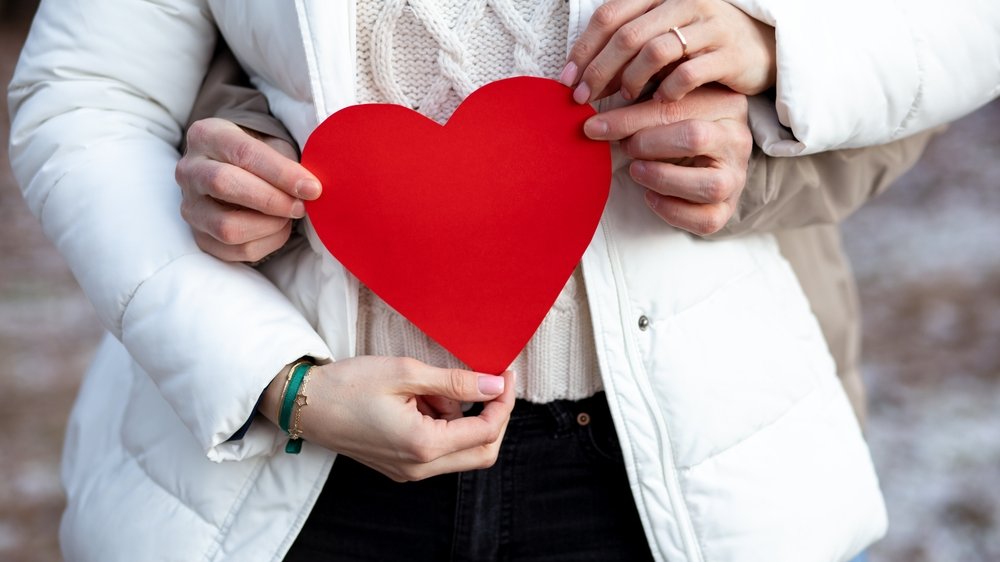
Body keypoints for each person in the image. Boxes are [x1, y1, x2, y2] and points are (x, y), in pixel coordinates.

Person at [8, 1, 998, 561]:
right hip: (294, 483)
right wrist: (276, 379)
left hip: (687, 475)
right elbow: (88, 93)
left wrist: (780, 42)